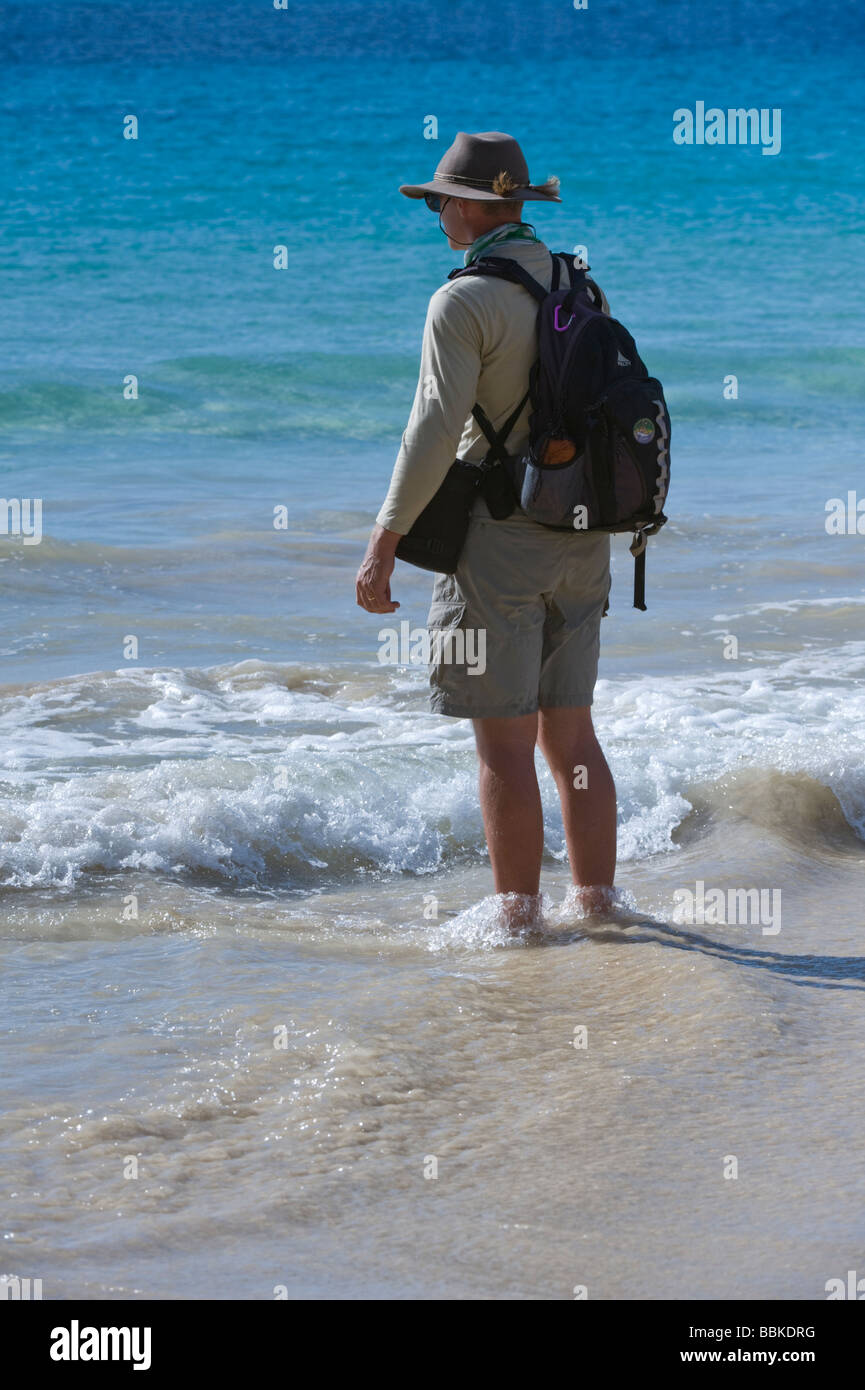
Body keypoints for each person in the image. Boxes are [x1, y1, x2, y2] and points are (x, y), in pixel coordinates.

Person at [356, 131, 616, 929]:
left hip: (501, 539)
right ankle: (598, 905)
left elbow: (433, 430)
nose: (436, 215)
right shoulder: (580, 283)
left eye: (439, 202)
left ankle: (514, 921)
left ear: (471, 206)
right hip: (585, 528)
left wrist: (383, 543)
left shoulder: (462, 300)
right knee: (570, 734)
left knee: (502, 743)